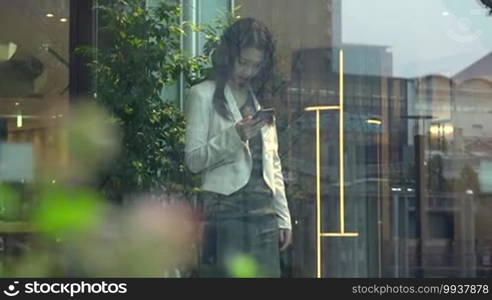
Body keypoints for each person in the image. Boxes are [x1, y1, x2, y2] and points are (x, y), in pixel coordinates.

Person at [184, 17, 292, 277]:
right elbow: (193, 160)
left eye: (256, 65)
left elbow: (272, 162)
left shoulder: (259, 102)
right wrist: (235, 135)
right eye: (243, 62)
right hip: (225, 212)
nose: (248, 72)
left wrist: (283, 215)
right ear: (228, 56)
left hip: (264, 214)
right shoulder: (202, 95)